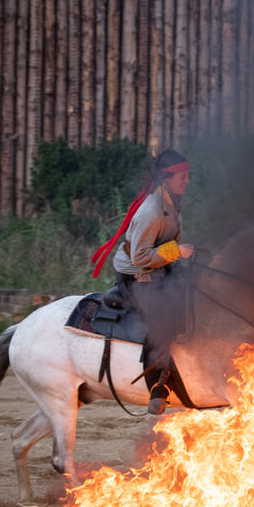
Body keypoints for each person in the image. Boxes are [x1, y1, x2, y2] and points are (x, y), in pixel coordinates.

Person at [90, 149, 195, 415]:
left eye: (187, 176)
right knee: (162, 318)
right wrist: (177, 252)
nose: (187, 181)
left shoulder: (171, 201)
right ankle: (157, 387)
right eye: (182, 176)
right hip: (136, 276)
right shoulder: (151, 211)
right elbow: (139, 257)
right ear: (166, 178)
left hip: (159, 269)